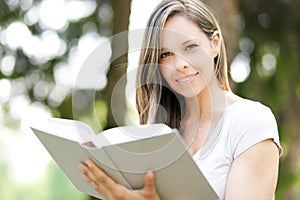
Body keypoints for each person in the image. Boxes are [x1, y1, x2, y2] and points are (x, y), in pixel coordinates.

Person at [78, 0, 283, 199]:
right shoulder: (158, 130)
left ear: (215, 43)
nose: (180, 64)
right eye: (166, 54)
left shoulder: (250, 121)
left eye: (190, 47)